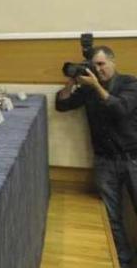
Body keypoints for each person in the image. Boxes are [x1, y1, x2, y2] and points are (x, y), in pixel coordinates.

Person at [56, 46, 137, 267]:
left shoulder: (130, 83)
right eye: (95, 65)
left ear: (113, 62)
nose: (98, 69)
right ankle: (123, 261)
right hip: (104, 161)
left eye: (101, 64)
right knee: (112, 219)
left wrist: (96, 86)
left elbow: (120, 109)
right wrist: (72, 81)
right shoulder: (88, 89)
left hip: (132, 159)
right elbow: (61, 105)